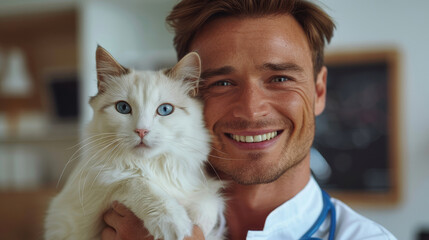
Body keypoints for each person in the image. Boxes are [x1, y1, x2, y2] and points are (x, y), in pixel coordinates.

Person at [101, 0, 397, 239]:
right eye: (222, 83)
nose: (252, 110)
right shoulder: (116, 216)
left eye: (280, 78)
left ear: (319, 91)